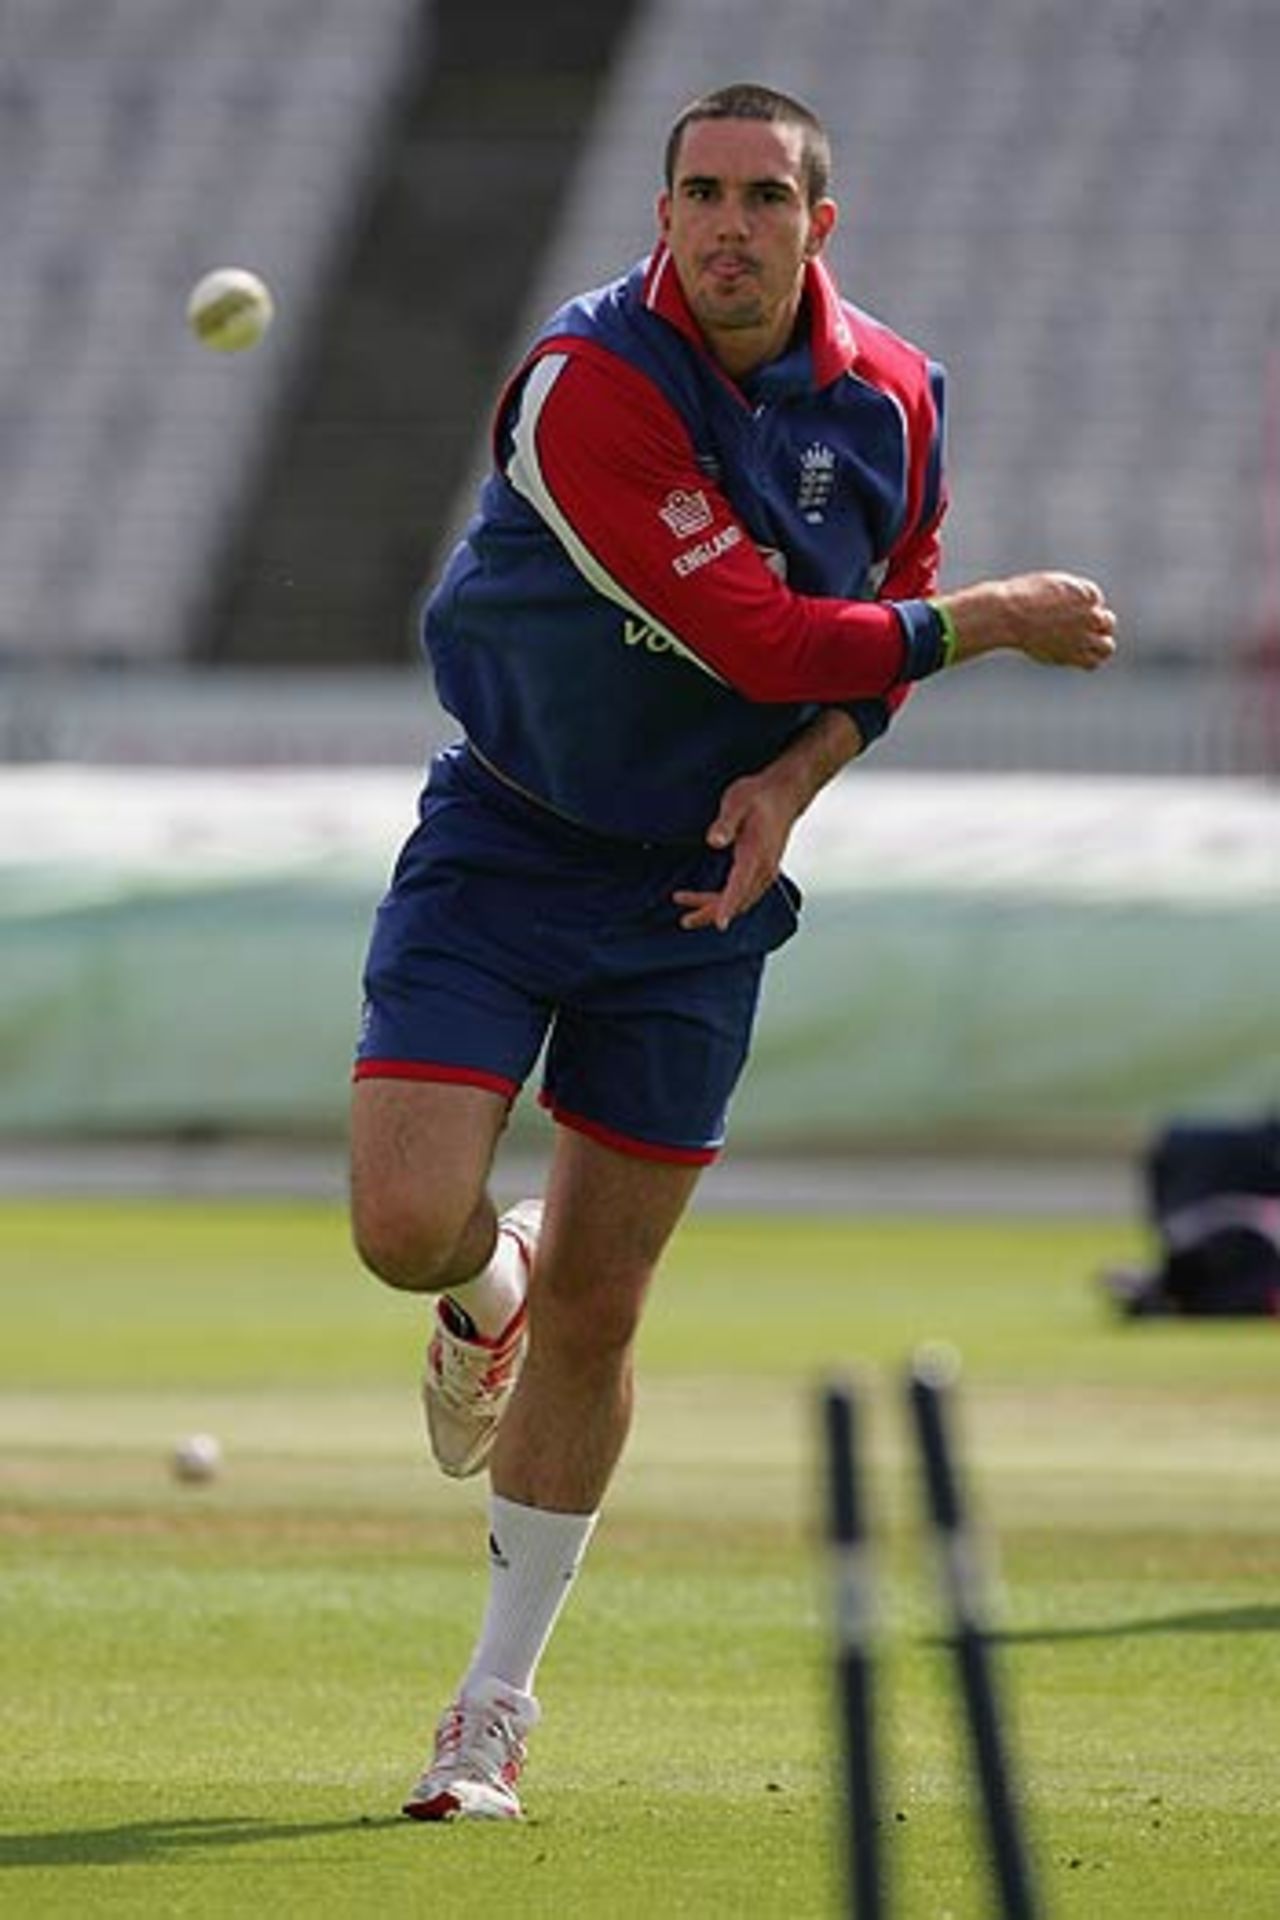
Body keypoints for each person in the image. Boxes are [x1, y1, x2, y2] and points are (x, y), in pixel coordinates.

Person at [349, 81, 1117, 1822]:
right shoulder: (589, 383)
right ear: (664, 208)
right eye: (698, 191)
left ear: (815, 225)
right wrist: (989, 619)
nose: (725, 225)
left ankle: (490, 1710)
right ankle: (488, 1288)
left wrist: (795, 781)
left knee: (609, 1315)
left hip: (698, 887)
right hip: (509, 835)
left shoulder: (899, 398)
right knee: (405, 1228)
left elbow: (842, 676)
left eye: (763, 196)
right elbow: (764, 630)